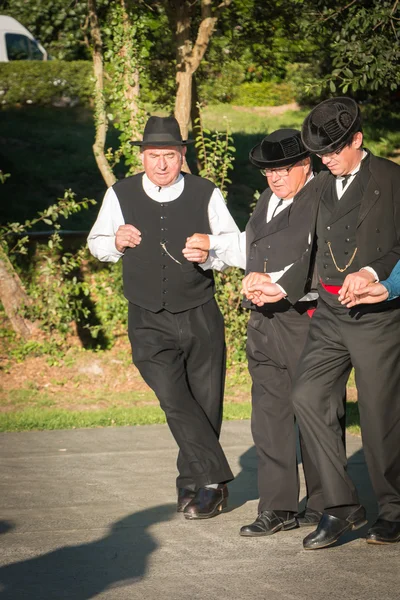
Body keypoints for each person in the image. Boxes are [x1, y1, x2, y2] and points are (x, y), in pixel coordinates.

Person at [252, 97, 400, 549]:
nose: (327, 160)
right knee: (307, 395)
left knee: (380, 418)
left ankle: (394, 510)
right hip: (331, 314)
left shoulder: (393, 179)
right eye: (321, 153)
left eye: (335, 150)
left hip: (377, 316)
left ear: (357, 139)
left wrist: (380, 279)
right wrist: (278, 285)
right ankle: (339, 506)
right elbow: (303, 246)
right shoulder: (318, 186)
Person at [185, 129, 347, 536]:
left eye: (283, 169)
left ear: (304, 164)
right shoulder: (268, 199)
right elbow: (253, 246)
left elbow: (328, 255)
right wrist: (215, 248)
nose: (275, 178)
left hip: (307, 318)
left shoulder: (325, 194)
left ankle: (329, 502)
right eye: (268, 171)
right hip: (263, 322)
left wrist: (279, 283)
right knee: (269, 416)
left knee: (317, 411)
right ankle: (278, 508)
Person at [88, 116, 239, 519]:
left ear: (181, 155)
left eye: (169, 156)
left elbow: (235, 246)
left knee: (205, 403)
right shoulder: (119, 194)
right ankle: (213, 481)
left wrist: (209, 251)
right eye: (153, 156)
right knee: (174, 399)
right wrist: (115, 242)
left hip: (200, 313)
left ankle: (191, 485)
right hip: (147, 316)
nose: (160, 164)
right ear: (142, 156)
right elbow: (96, 243)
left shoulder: (206, 192)